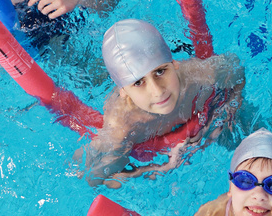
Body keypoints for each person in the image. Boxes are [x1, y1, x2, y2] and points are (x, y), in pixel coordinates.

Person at [80, 19, 245, 187]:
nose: (157, 91)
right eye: (138, 83)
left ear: (174, 64)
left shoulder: (197, 77)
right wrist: (162, 168)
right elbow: (94, 179)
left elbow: (234, 67)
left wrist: (223, 116)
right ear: (123, 91)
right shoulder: (122, 124)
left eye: (160, 71)